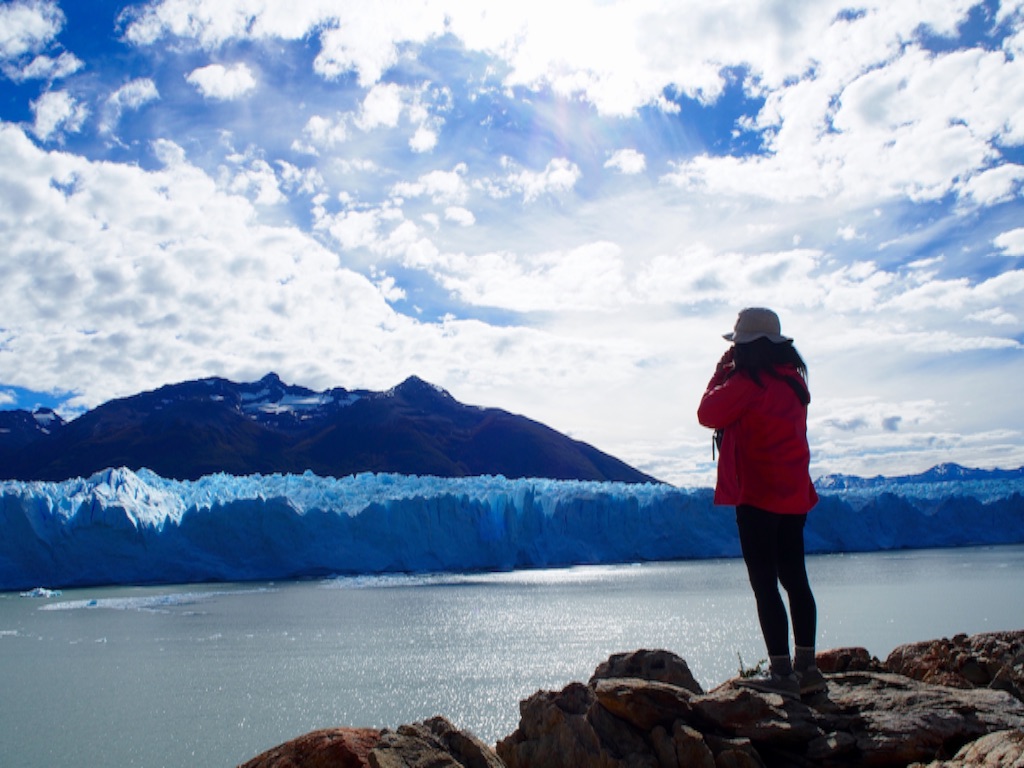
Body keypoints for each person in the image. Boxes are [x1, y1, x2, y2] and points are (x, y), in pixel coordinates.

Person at [697, 307, 826, 698]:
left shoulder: (749, 383)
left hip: (757, 496)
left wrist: (722, 371)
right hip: (793, 497)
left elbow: (707, 412)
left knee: (765, 585)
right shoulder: (793, 384)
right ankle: (808, 669)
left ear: (749, 349)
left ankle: (782, 675)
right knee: (795, 579)